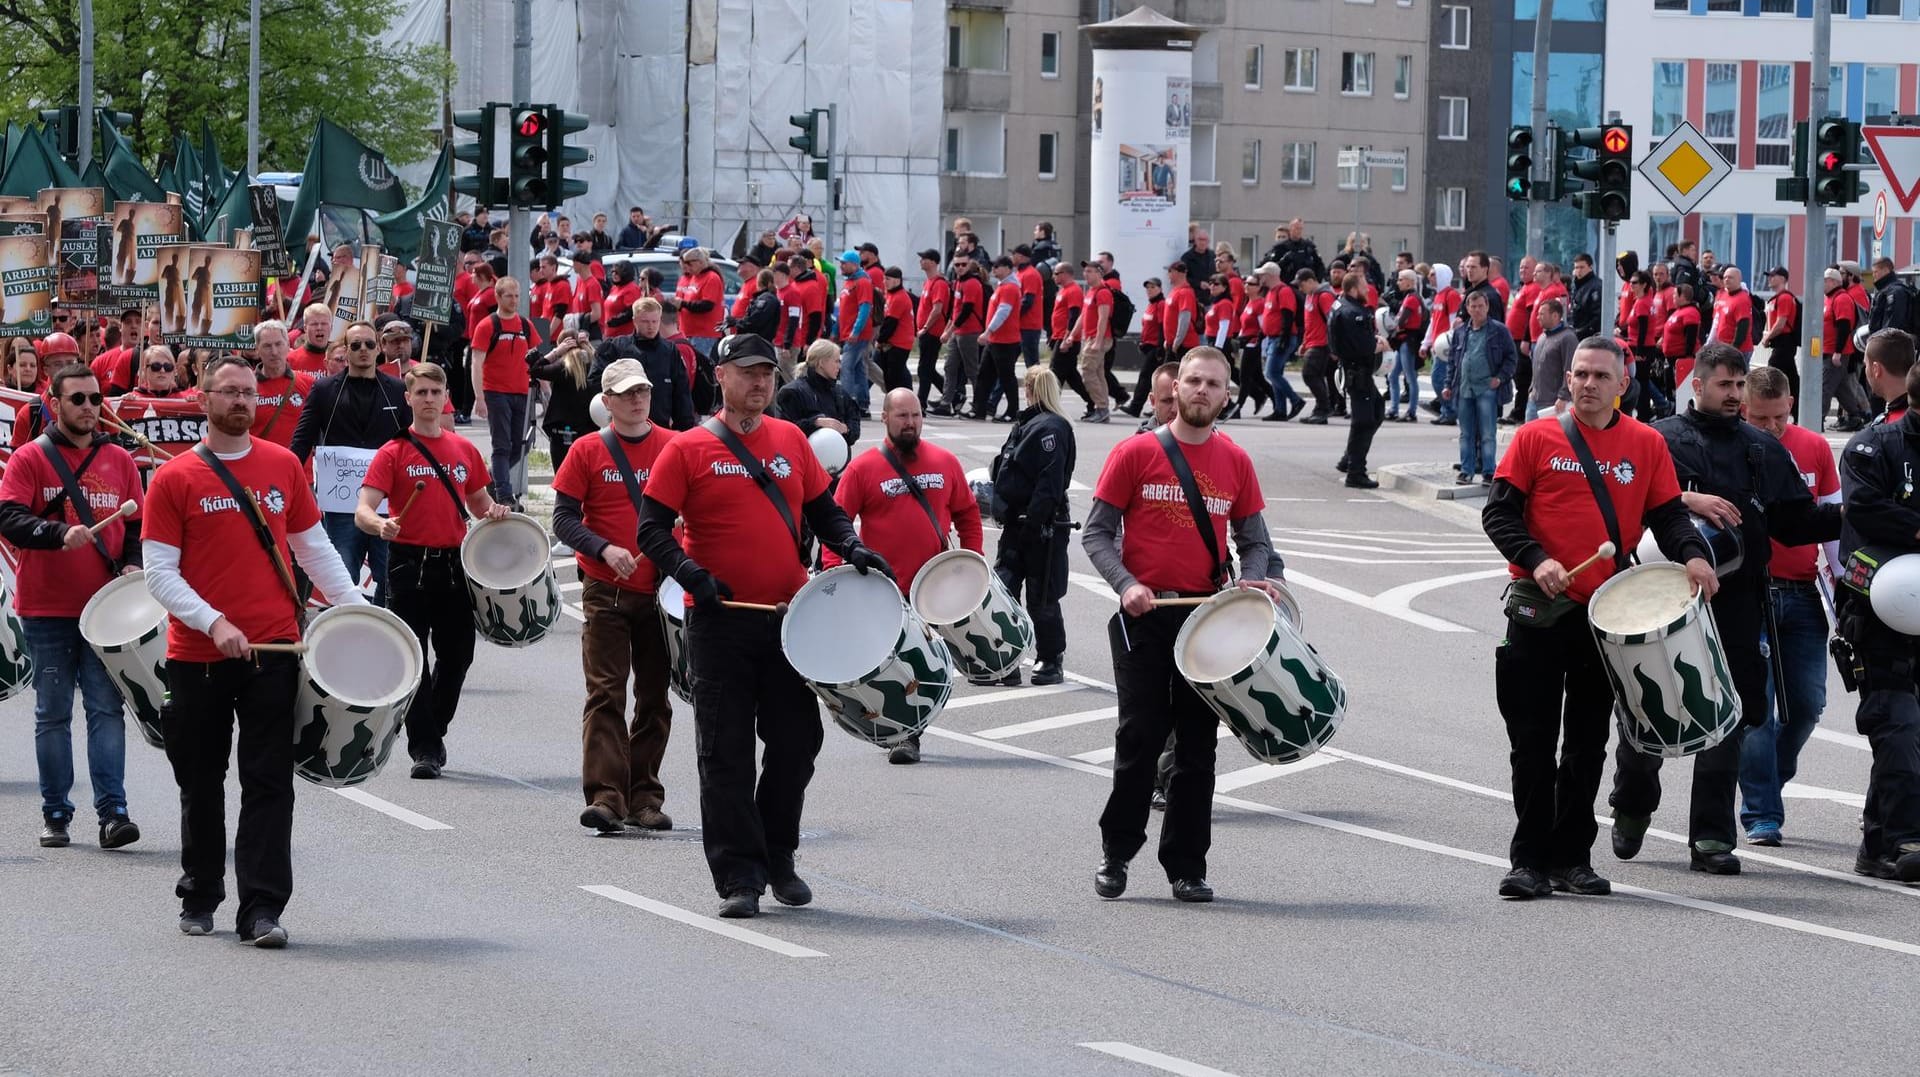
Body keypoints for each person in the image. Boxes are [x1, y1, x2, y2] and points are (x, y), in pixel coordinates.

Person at [636, 332, 892, 919]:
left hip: (786, 621)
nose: (760, 383)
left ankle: (779, 855)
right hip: (719, 625)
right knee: (724, 755)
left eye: (768, 374)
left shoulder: (791, 441)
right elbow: (651, 530)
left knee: (798, 744)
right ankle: (740, 877)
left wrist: (850, 546)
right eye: (748, 372)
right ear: (720, 376)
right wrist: (690, 574)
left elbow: (824, 511)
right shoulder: (689, 448)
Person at [143, 354, 367, 946]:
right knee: (201, 779)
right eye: (230, 393)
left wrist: (354, 609)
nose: (242, 401)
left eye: (248, 392)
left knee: (269, 781)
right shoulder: (175, 477)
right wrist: (213, 622)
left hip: (275, 650)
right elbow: (159, 573)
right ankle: (200, 890)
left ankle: (262, 909)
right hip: (198, 655)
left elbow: (313, 547)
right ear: (204, 400)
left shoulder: (283, 465)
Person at [1482, 335, 1716, 899]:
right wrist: (1537, 561)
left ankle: (1572, 858)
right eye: (1580, 374)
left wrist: (1694, 556)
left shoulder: (1645, 443)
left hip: (1605, 616)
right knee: (1532, 741)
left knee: (1587, 742)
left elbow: (1666, 516)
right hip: (1539, 612)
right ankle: (1528, 860)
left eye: (1599, 376)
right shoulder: (1535, 437)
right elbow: (1499, 513)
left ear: (1622, 384)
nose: (1588, 384)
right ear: (1568, 380)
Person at [1611, 342, 1842, 876]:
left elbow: (1794, 520)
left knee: (1727, 718)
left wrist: (1859, 516)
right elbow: (1631, 500)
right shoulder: (1660, 439)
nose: (1735, 395)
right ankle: (1633, 805)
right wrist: (1687, 501)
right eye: (1725, 385)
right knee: (1652, 706)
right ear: (1698, 384)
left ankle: (1712, 838)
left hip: (1740, 602)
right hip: (1666, 597)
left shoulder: (1761, 447)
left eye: (1740, 385)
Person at [1082, 346, 1283, 904]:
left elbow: (1255, 541)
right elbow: (1096, 534)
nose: (1201, 391)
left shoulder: (1235, 461)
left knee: (1198, 749)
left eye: (1212, 384)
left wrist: (1253, 580)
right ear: (1174, 388)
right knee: (1140, 737)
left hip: (1205, 624)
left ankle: (1186, 867)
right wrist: (1127, 585)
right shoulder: (1136, 452)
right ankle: (1117, 853)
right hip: (1144, 620)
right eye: (1193, 380)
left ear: (1226, 395)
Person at [0, 364, 145, 850]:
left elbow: (139, 528)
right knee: (53, 712)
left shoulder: (120, 459)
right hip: (46, 607)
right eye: (78, 399)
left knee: (106, 709)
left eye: (95, 399)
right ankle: (56, 812)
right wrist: (57, 533)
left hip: (106, 609)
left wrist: (130, 565)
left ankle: (113, 812)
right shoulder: (30, 458)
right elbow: (8, 517)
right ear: (54, 403)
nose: (88, 407)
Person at [355, 362, 506, 779]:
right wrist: (380, 523)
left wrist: (494, 511)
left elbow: (477, 502)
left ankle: (432, 728)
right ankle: (424, 746)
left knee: (458, 656)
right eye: (419, 393)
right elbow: (363, 510)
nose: (427, 399)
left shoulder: (463, 450)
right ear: (408, 398)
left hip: (455, 565)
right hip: (407, 564)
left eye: (434, 393)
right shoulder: (394, 451)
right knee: (412, 656)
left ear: (444, 398)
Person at [551, 358, 679, 832]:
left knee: (654, 697)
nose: (637, 399)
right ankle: (605, 798)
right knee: (605, 693)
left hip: (661, 590)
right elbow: (563, 518)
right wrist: (603, 549)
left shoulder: (675, 445)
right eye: (626, 393)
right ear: (606, 402)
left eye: (642, 390)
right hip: (605, 588)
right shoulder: (586, 450)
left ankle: (645, 797)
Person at [827, 389, 983, 762]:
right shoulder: (863, 469)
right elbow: (836, 523)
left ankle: (910, 733)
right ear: (884, 418)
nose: (910, 423)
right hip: (883, 589)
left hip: (933, 589)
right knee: (899, 666)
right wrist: (836, 571)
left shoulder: (945, 462)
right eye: (902, 416)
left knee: (923, 663)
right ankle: (906, 735)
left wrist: (973, 562)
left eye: (915, 415)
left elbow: (968, 513)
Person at [1736, 363, 1842, 847]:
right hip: (1752, 590)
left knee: (1806, 706)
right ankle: (1762, 812)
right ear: (1744, 410)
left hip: (1803, 594)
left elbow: (1833, 525)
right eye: (1762, 419)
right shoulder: (1736, 446)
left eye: (1780, 417)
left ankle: (1771, 776)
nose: (1773, 428)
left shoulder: (1815, 447)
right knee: (1757, 709)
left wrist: (1844, 588)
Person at [1836, 353, 1920, 882]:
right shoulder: (1875, 445)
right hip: (1879, 613)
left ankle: (1875, 841)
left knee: (1911, 736)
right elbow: (1864, 509)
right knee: (1898, 726)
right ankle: (1904, 839)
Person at [291, 320, 409, 605]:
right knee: (342, 578)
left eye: (369, 344)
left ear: (379, 348)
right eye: (356, 345)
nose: (363, 351)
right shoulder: (324, 390)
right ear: (346, 350)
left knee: (390, 575)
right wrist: (289, 483)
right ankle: (349, 634)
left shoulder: (397, 389)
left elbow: (412, 442)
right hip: (341, 505)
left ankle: (382, 626)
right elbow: (301, 442)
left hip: (386, 504)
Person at [987, 366, 1074, 687]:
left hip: (1041, 527)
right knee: (1005, 592)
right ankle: (1007, 657)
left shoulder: (1052, 427)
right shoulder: (1028, 423)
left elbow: (1049, 484)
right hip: (1016, 523)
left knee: (1042, 596)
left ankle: (1051, 659)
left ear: (1031, 390)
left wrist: (1034, 522)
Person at [468, 277, 544, 509]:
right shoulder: (488, 325)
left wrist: (546, 392)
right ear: (498, 297)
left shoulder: (524, 325)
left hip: (521, 393)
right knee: (501, 445)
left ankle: (493, 478)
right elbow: (476, 363)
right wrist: (479, 398)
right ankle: (504, 494)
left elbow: (536, 360)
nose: (514, 300)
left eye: (517, 295)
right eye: (509, 296)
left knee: (521, 445)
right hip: (496, 392)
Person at [1443, 290, 1518, 486]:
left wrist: (1500, 378)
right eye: (1473, 307)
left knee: (1487, 433)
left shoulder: (1498, 331)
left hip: (1487, 388)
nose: (1476, 310)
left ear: (1487, 307)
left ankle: (1488, 471)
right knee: (1465, 433)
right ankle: (1466, 470)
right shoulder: (1461, 332)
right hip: (1464, 388)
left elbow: (1511, 357)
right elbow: (1452, 361)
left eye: (1480, 306)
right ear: (1467, 308)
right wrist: (1448, 385)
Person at [593, 297, 696, 431]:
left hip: (660, 427)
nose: (650, 326)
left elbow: (682, 394)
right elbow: (596, 382)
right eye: (645, 321)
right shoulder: (616, 348)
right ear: (635, 321)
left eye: (655, 321)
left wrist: (684, 430)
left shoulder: (670, 352)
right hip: (623, 428)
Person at [1330, 272, 1385, 489]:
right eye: (1364, 286)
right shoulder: (1353, 313)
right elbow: (1364, 346)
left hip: (1354, 371)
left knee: (1377, 410)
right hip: (1357, 372)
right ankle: (1356, 470)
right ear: (1354, 288)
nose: (1367, 290)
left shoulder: (1339, 305)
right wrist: (1378, 345)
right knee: (1364, 422)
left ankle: (1349, 458)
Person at [534, 320, 599, 475]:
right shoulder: (594, 361)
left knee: (563, 475)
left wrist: (556, 352)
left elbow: (535, 369)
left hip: (562, 429)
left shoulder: (564, 364)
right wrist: (588, 345)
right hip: (590, 428)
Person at [248, 321, 315, 450]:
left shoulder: (308, 383)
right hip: (260, 465)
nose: (274, 352)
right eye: (267, 346)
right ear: (257, 349)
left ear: (288, 345)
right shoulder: (245, 386)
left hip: (298, 466)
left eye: (278, 344)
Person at [935, 255, 985, 417]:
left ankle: (979, 405)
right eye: (957, 264)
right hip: (958, 332)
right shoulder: (958, 282)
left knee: (972, 370)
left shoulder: (971, 283)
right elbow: (955, 311)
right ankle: (946, 403)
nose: (960, 267)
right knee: (950, 367)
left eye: (964, 264)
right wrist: (948, 330)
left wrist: (949, 330)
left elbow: (966, 311)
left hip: (969, 332)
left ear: (969, 265)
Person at [977, 256, 1024, 421]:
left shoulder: (1010, 288)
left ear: (1007, 268)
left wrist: (988, 331)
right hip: (996, 340)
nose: (993, 270)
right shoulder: (1002, 287)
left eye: (997, 267)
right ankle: (979, 409)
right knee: (984, 374)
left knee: (1006, 377)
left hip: (1006, 341)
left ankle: (1012, 412)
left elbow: (1003, 312)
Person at [1068, 261, 1115, 423]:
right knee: (1098, 373)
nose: (1085, 274)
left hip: (1097, 338)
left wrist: (1098, 341)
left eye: (1090, 271)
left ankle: (1101, 407)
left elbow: (1103, 318)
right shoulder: (1091, 292)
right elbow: (1083, 316)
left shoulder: (1103, 292)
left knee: (1088, 372)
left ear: (1099, 273)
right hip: (1090, 337)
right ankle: (1102, 408)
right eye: (1085, 271)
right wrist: (1072, 335)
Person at [1823, 267, 1869, 431]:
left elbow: (1844, 326)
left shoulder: (1841, 299)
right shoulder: (1829, 298)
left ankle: (1816, 418)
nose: (1822, 284)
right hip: (1829, 351)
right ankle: (1856, 416)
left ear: (1833, 281)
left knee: (1825, 386)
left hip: (1836, 352)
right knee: (1842, 388)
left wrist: (1838, 351)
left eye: (1825, 281)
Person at [1527, 298, 1575, 421]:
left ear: (1555, 316)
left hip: (1553, 403)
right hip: (1534, 399)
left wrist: (1564, 396)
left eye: (1542, 314)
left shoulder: (1568, 338)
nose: (1538, 317)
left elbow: (1570, 367)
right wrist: (1532, 389)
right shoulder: (1542, 337)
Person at [914, 250, 949, 408]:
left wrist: (926, 327)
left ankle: (921, 402)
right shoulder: (928, 282)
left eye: (925, 258)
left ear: (934, 262)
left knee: (925, 368)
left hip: (932, 332)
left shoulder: (939, 283)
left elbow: (937, 308)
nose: (921, 261)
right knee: (927, 368)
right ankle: (950, 394)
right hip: (926, 331)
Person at [1761, 266, 1801, 399]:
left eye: (1773, 276)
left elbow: (1780, 324)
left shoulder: (1784, 298)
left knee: (1772, 374)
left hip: (1785, 341)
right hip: (1780, 342)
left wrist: (1767, 338)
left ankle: (1771, 402)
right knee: (1791, 377)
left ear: (1783, 279)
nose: (1770, 278)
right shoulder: (1777, 298)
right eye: (1769, 275)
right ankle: (1797, 408)